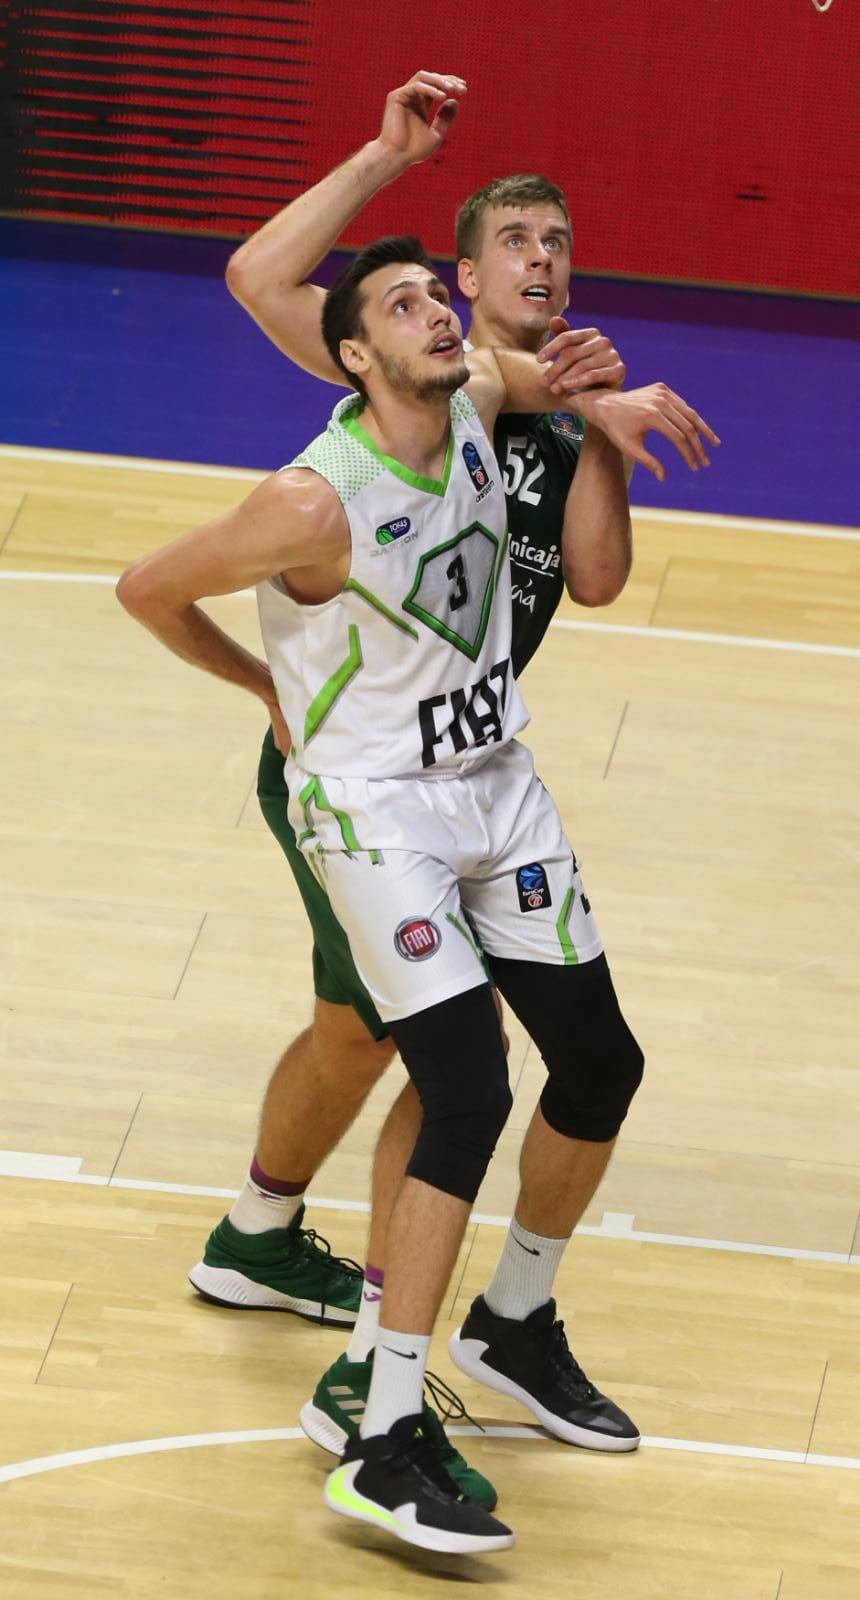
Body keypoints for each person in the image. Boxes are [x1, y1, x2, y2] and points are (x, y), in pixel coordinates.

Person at [118, 207, 716, 1552]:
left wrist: (610, 418)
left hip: (497, 787)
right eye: (402, 308)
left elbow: (555, 405)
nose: (440, 319)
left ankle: (510, 1321)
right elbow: (146, 588)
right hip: (376, 810)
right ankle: (383, 1428)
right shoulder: (309, 498)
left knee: (601, 1062)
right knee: (460, 1083)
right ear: (353, 359)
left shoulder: (487, 395)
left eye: (434, 305)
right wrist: (266, 685)